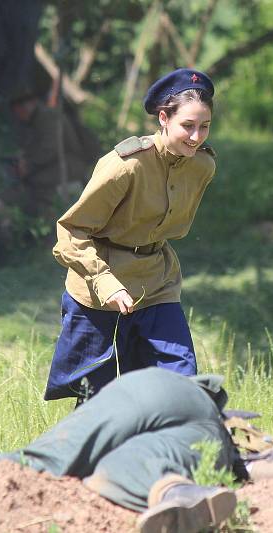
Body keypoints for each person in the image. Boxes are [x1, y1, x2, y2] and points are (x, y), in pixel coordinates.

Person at [0, 367, 273, 533]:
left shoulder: (203, 400)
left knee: (46, 462)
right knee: (139, 470)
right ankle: (178, 494)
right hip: (190, 419)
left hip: (142, 384)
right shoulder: (222, 435)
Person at [45, 68, 217, 403]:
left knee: (178, 383)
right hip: (97, 288)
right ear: (163, 118)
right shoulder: (125, 165)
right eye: (188, 126)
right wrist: (105, 282)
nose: (197, 137)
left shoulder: (202, 166)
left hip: (156, 281)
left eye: (205, 127)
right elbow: (72, 229)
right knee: (98, 400)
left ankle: (166, 454)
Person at [0, 89, 99, 260]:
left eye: (18, 110)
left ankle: (45, 248)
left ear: (27, 106)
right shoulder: (39, 119)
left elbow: (49, 149)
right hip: (53, 171)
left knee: (39, 199)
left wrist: (28, 164)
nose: (18, 115)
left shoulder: (47, 118)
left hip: (66, 172)